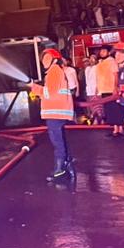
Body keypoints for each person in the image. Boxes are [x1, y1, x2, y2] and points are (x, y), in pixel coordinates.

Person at [32, 47, 76, 184]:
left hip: (55, 112)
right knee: (60, 140)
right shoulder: (55, 71)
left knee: (57, 142)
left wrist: (34, 87)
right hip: (57, 112)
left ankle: (60, 170)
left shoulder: (54, 71)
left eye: (47, 58)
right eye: (43, 59)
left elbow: (49, 92)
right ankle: (67, 165)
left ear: (54, 60)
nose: (44, 61)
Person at [94, 46, 121, 134]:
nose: (102, 52)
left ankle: (119, 129)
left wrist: (115, 87)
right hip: (103, 90)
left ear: (108, 52)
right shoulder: (100, 63)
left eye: (104, 51)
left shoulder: (112, 61)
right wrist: (97, 89)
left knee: (115, 109)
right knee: (109, 110)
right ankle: (115, 129)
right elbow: (98, 77)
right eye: (101, 51)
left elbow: (116, 75)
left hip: (111, 89)